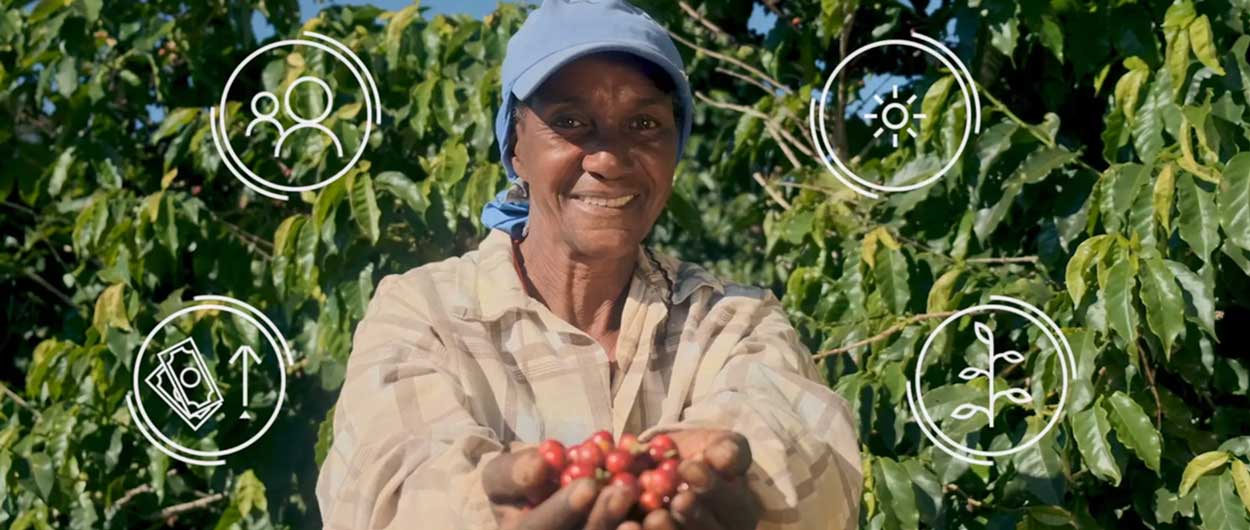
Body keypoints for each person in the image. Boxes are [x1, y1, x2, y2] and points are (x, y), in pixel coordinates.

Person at [315, 1, 861, 529]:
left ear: (675, 152)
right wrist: (480, 508)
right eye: (570, 120)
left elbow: (803, 441)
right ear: (516, 150)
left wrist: (740, 476)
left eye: (645, 124)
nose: (608, 159)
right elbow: (384, 475)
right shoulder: (426, 311)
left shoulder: (730, 318)